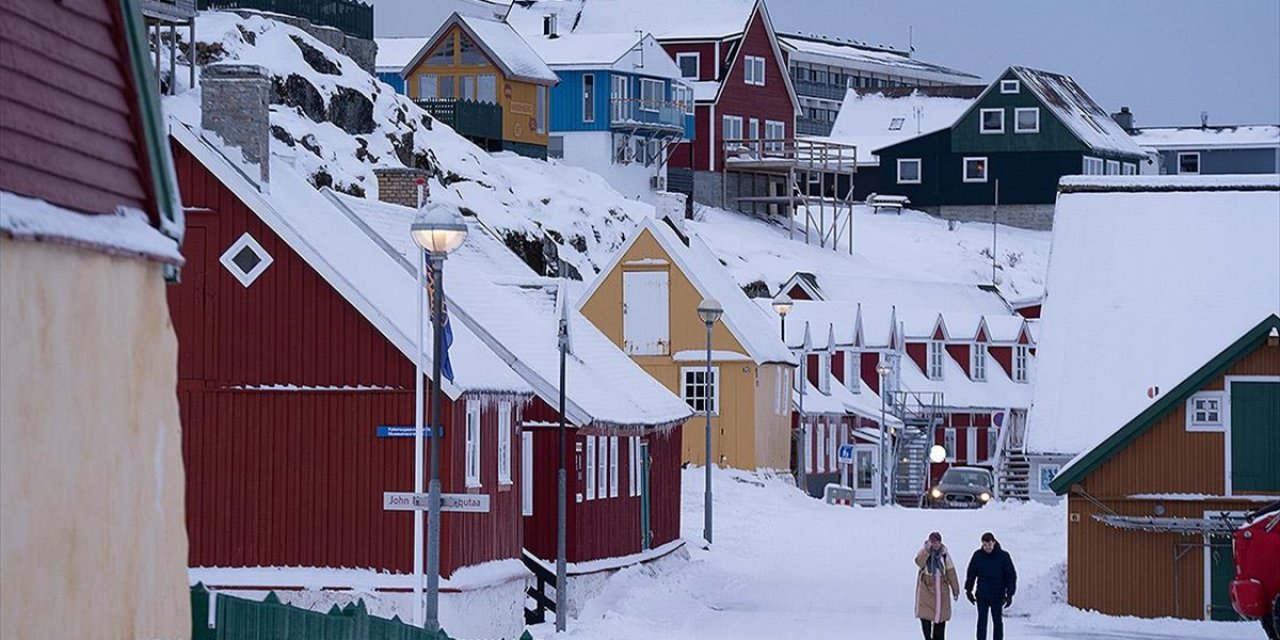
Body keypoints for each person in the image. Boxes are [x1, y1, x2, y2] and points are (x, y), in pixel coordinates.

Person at [965, 531, 1018, 640]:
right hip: (982, 595)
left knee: (997, 622)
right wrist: (968, 590)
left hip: (997, 595)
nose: (987, 547)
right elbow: (971, 573)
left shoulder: (1003, 556)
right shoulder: (978, 556)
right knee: (981, 622)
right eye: (985, 545)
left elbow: (1011, 575)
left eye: (989, 544)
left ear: (994, 542)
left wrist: (1010, 594)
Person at [915, 531, 961, 640]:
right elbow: (918, 561)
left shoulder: (944, 555)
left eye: (938, 542)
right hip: (926, 590)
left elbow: (951, 572)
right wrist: (926, 551)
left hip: (941, 591)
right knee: (925, 618)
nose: (936, 544)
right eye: (933, 542)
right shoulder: (924, 553)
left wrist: (955, 589)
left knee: (940, 621)